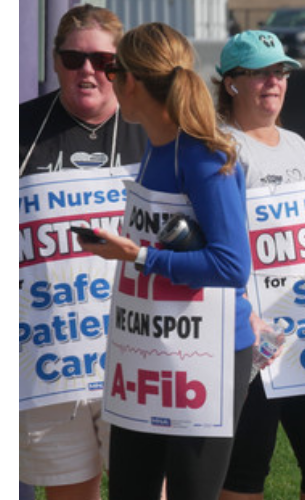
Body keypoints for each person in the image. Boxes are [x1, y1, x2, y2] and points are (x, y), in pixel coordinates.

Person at [78, 22, 253, 500]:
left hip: (208, 357)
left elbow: (232, 265)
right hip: (146, 352)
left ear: (130, 81)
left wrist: (139, 255)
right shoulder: (155, 149)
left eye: (112, 70)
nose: (107, 79)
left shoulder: (201, 155)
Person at [213, 30, 305, 500]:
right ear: (231, 82)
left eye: (281, 71)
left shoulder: (298, 146)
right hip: (249, 344)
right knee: (244, 475)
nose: (274, 81)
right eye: (261, 73)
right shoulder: (218, 147)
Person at [18, 4, 145, 500]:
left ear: (122, 66)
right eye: (73, 58)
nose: (87, 70)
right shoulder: (19, 129)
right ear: (55, 62)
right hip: (50, 363)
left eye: (102, 60)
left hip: (135, 357)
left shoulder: (153, 131)